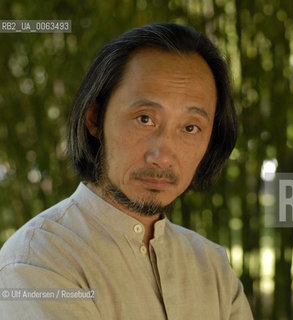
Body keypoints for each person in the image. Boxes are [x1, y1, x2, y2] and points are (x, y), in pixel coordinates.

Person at [0, 22, 254, 319]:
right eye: (144, 118)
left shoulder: (212, 267)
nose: (162, 156)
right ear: (95, 118)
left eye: (190, 127)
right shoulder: (39, 262)